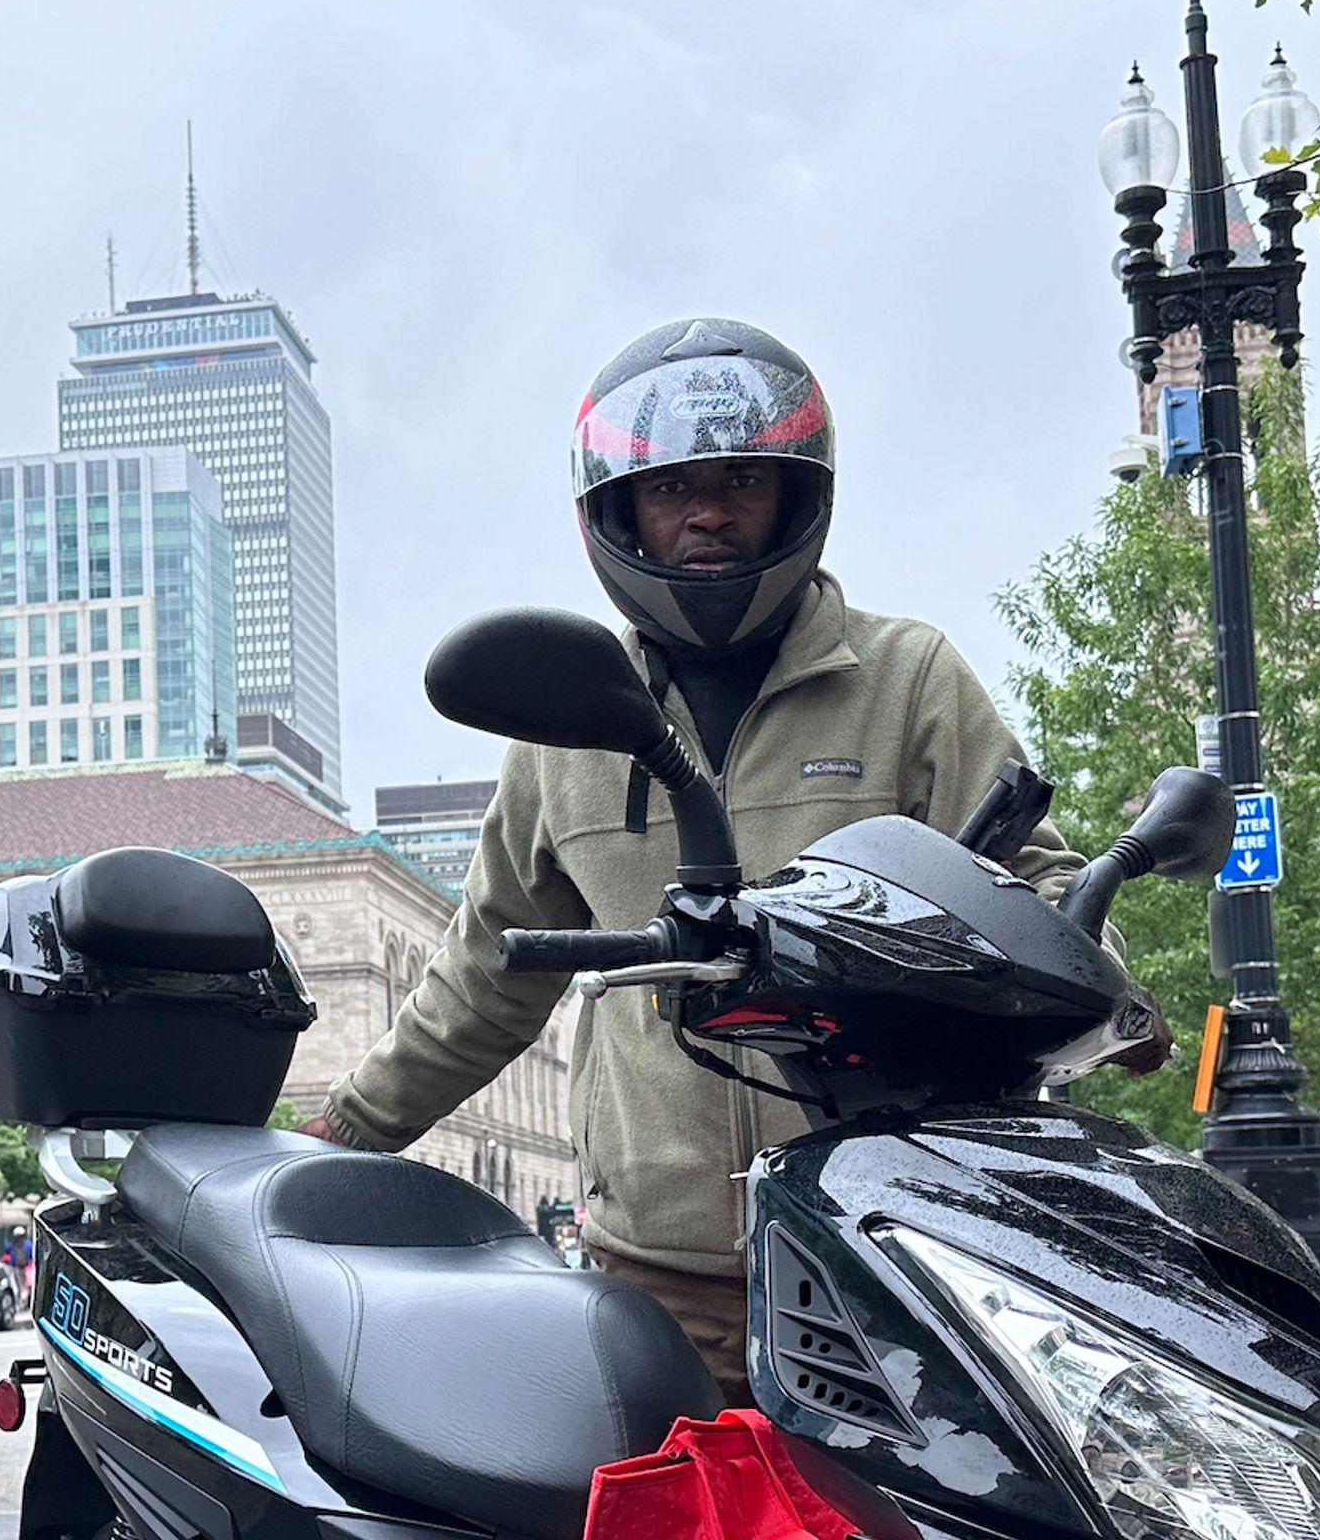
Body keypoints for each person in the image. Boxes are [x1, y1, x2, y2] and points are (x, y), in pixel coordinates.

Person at [305, 318, 1087, 1386]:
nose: (708, 512)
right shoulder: (565, 717)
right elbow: (487, 974)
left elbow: (1038, 885)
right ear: (621, 512)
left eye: (741, 479)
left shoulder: (908, 679)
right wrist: (343, 1128)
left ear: (795, 493)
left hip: (902, 1246)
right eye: (673, 489)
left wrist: (1105, 983)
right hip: (659, 1272)